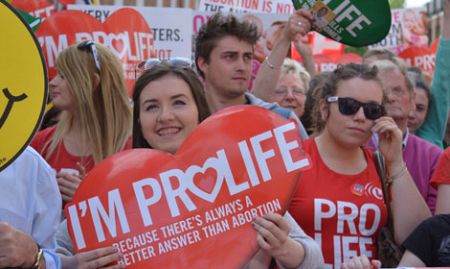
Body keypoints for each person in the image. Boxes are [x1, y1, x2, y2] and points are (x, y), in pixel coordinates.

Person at [288, 63, 431, 268]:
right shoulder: (292, 161)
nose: (360, 117)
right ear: (324, 109)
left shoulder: (380, 165)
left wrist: (396, 161)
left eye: (372, 110)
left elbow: (420, 237)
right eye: (349, 106)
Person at [31, 40, 132, 203]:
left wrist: (89, 199)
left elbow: (135, 215)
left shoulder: (130, 149)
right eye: (56, 74)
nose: (53, 82)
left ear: (93, 82)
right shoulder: (41, 143)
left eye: (63, 76)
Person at [370, 59, 442, 213]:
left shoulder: (433, 156)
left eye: (397, 90)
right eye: (382, 91)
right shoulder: (352, 145)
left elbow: (435, 222)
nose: (390, 97)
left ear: (412, 97)